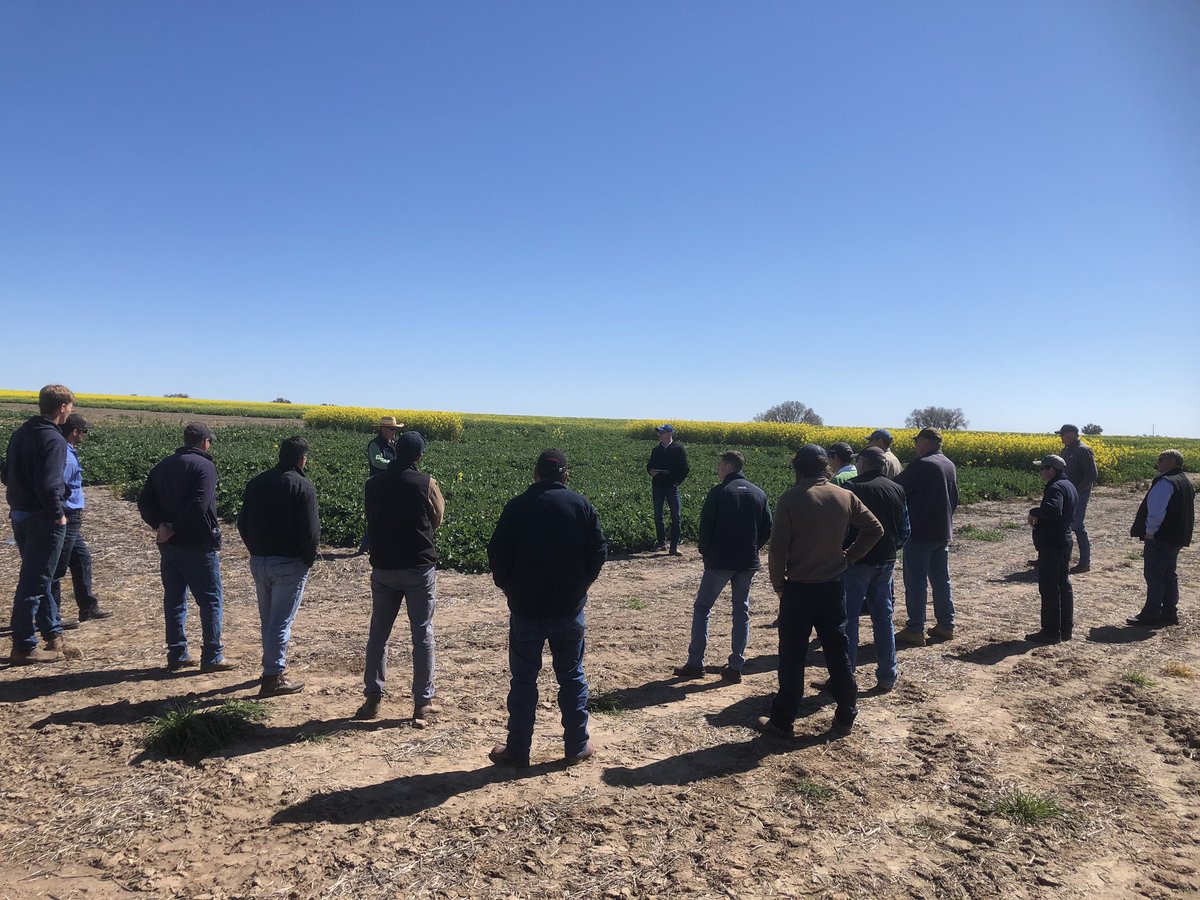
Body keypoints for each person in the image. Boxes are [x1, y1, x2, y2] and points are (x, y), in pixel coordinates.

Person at [487, 449, 607, 767]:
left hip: (526, 608)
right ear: (565, 475)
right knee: (572, 676)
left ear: (536, 474)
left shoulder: (517, 507)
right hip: (569, 608)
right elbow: (598, 552)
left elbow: (497, 554)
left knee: (524, 680)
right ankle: (577, 746)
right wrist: (581, 586)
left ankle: (518, 749)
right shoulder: (582, 506)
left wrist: (509, 588)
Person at [760, 444, 882, 738]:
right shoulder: (844, 495)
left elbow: (777, 551)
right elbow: (875, 529)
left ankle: (783, 721)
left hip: (799, 589)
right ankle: (846, 713)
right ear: (825, 466)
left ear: (797, 467)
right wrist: (849, 556)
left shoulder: (791, 498)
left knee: (792, 657)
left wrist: (779, 585)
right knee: (837, 652)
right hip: (832, 587)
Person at [357, 431, 444, 721]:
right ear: (419, 455)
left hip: (383, 567)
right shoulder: (426, 483)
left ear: (395, 452)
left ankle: (372, 698)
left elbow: (370, 516)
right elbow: (437, 517)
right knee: (422, 633)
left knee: (378, 634)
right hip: (419, 567)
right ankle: (422, 702)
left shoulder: (373, 484)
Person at [137, 422, 236, 672]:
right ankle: (212, 654)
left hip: (169, 546)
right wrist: (175, 527)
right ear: (204, 442)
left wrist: (161, 525)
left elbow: (144, 500)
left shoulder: (163, 465)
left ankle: (178, 652)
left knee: (174, 599)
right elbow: (199, 504)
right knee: (211, 599)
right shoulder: (205, 465)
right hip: (197, 543)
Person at [672, 451, 772, 684]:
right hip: (747, 562)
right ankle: (736, 664)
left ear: (728, 466)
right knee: (741, 611)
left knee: (703, 608)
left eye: (720, 464)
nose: (718, 468)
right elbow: (767, 526)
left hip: (720, 561)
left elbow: (706, 526)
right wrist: (754, 547)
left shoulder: (719, 492)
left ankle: (696, 663)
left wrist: (706, 552)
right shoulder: (759, 493)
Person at [237, 436, 321, 697]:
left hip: (260, 560)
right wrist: (308, 559)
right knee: (281, 622)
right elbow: (311, 532)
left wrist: (255, 549)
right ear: (301, 459)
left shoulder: (257, 482)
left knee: (269, 620)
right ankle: (272, 676)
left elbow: (242, 523)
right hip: (288, 563)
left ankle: (270, 667)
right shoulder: (303, 486)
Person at [3, 384, 75, 664]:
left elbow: (7, 473)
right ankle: (23, 645)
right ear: (61, 407)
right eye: (70, 406)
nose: (70, 411)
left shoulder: (21, 432)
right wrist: (58, 511)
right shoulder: (53, 439)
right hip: (42, 518)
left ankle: (53, 634)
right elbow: (49, 484)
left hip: (20, 513)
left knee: (39, 577)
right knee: (34, 582)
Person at [842, 446, 909, 691]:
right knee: (883, 618)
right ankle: (887, 675)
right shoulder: (897, 488)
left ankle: (845, 675)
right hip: (886, 561)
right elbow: (905, 529)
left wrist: (844, 553)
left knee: (848, 619)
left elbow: (843, 528)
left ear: (862, 463)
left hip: (856, 561)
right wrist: (891, 548)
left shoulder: (851, 488)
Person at [895, 427, 959, 646]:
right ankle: (946, 625)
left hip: (921, 531)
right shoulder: (948, 464)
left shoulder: (923, 465)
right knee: (941, 580)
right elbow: (955, 497)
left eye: (917, 442)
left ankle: (915, 629)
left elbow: (896, 487)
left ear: (926, 441)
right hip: (943, 530)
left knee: (916, 582)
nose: (915, 446)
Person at [51, 413, 113, 626]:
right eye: (84, 431)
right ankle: (52, 616)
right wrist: (61, 513)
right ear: (75, 431)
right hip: (67, 515)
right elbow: (59, 485)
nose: (85, 436)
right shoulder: (66, 456)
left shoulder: (67, 450)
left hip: (71, 516)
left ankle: (87, 607)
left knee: (81, 559)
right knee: (57, 567)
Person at [1127, 450, 1194, 628]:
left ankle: (1150, 614)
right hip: (1177, 536)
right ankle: (1169, 613)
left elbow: (1156, 512)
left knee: (1155, 575)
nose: (1158, 464)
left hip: (1161, 537)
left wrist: (1150, 532)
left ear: (1172, 461)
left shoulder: (1166, 482)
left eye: (1161, 460)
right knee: (1168, 574)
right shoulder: (1184, 481)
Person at [1026, 454, 1078, 644]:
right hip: (1063, 540)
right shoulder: (1068, 485)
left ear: (1051, 470)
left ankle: (1050, 632)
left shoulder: (1055, 487)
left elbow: (1052, 510)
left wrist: (1034, 512)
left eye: (1042, 468)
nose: (1040, 472)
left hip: (1053, 543)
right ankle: (1065, 630)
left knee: (1049, 588)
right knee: (1063, 585)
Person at [357, 416, 404, 554]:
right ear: (382, 429)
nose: (394, 431)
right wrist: (396, 465)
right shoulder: (375, 444)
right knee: (377, 517)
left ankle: (380, 546)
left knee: (388, 516)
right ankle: (365, 546)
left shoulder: (394, 444)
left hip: (391, 485)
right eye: (391, 429)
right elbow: (377, 461)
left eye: (395, 429)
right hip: (377, 486)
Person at [1056, 424, 1098, 573]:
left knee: (1077, 526)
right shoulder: (1067, 450)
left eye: (1063, 435)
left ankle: (1084, 563)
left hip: (1079, 494)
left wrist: (1076, 491)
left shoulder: (1083, 450)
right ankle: (1058, 559)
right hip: (1066, 493)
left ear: (1072, 434)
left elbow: (1092, 475)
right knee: (1061, 524)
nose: (1061, 438)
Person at [647, 424, 689, 555]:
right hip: (657, 486)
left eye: (662, 433)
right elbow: (649, 465)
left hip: (671, 487)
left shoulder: (678, 449)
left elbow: (685, 468)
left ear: (669, 434)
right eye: (659, 433)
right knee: (658, 516)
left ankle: (674, 546)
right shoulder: (656, 450)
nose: (659, 435)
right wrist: (651, 471)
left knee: (675, 516)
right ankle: (661, 543)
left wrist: (677, 482)